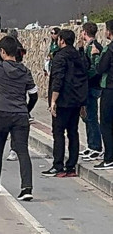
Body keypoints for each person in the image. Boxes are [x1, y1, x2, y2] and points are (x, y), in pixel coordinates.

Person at [0, 36, 38, 201]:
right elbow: (34, 95)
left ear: (2, 51)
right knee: (22, 151)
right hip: (20, 115)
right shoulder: (25, 71)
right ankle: (27, 187)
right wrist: (26, 110)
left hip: (0, 113)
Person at [43, 29, 88, 178]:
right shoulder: (78, 56)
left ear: (61, 40)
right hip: (76, 100)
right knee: (73, 132)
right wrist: (83, 102)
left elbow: (58, 79)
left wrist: (53, 100)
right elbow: (83, 78)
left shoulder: (60, 57)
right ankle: (71, 166)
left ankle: (58, 166)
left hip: (63, 100)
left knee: (58, 133)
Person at [79, 22, 104, 162]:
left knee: (92, 117)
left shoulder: (94, 47)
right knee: (87, 116)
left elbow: (94, 68)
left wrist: (85, 77)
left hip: (92, 86)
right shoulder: (88, 47)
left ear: (85, 32)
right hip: (89, 86)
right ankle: (91, 144)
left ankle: (96, 147)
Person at [94, 20, 113, 170]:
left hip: (109, 89)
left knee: (106, 124)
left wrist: (96, 56)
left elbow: (100, 68)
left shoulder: (109, 49)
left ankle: (109, 158)